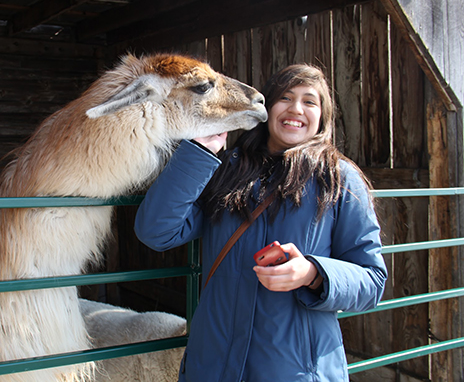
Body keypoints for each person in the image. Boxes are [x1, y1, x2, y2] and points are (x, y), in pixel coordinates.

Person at [134, 64, 388, 382]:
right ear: (268, 106)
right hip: (213, 364)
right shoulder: (225, 170)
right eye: (285, 97)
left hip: (293, 371)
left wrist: (312, 273)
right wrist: (198, 153)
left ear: (322, 116)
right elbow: (155, 231)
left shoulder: (339, 179)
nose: (296, 109)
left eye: (310, 101)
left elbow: (372, 281)